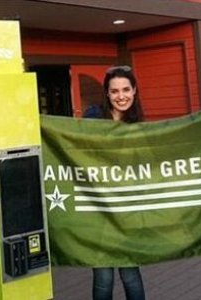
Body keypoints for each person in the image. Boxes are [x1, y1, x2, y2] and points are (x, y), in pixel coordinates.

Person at [84, 65, 146, 300]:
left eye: (126, 89)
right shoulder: (93, 116)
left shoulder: (137, 124)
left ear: (134, 90)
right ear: (107, 94)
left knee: (130, 273)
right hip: (98, 210)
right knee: (104, 276)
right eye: (115, 91)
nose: (121, 96)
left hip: (125, 211)